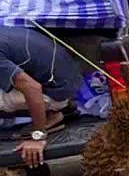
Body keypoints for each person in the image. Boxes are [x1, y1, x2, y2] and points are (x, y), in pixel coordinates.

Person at [1, 26, 82, 167]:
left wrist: (38, 137)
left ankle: (46, 118)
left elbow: (33, 88)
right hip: (68, 80)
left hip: (56, 91)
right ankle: (52, 115)